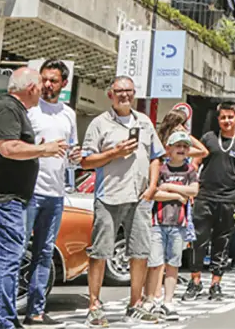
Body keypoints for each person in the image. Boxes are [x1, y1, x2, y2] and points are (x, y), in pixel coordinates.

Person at [0, 68, 68, 329]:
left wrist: (36, 148)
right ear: (30, 88)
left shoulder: (12, 110)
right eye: (40, 83)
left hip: (3, 199)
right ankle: (1, 322)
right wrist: (45, 148)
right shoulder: (7, 109)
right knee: (6, 263)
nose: (44, 87)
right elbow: (8, 148)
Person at [80, 76, 164, 327]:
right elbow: (85, 161)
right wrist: (114, 153)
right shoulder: (99, 123)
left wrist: (151, 186)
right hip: (109, 196)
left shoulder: (144, 122)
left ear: (134, 93)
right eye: (119, 91)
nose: (124, 95)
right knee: (100, 251)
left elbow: (155, 157)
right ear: (110, 95)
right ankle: (94, 305)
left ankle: (135, 303)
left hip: (139, 197)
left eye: (128, 91)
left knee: (139, 252)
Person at [23, 60, 82, 328]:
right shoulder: (29, 110)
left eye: (53, 81)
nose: (47, 85)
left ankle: (36, 311)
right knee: (17, 251)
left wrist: (76, 157)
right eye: (44, 79)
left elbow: (70, 158)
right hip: (28, 192)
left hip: (55, 194)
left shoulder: (68, 114)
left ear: (63, 84)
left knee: (44, 253)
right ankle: (6, 309)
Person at [182, 102, 235, 302]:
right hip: (205, 198)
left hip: (230, 200)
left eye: (230, 117)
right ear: (218, 119)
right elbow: (195, 162)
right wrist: (191, 187)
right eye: (223, 117)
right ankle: (195, 281)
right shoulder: (209, 139)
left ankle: (216, 283)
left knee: (222, 243)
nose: (226, 121)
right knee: (198, 240)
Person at [147, 130, 200, 322]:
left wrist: (169, 187)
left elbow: (194, 190)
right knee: (155, 263)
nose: (182, 149)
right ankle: (152, 298)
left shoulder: (190, 171)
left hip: (179, 224)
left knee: (173, 264)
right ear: (168, 149)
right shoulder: (160, 169)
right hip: (157, 222)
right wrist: (178, 196)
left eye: (185, 146)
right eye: (178, 146)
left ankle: (169, 301)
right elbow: (153, 193)